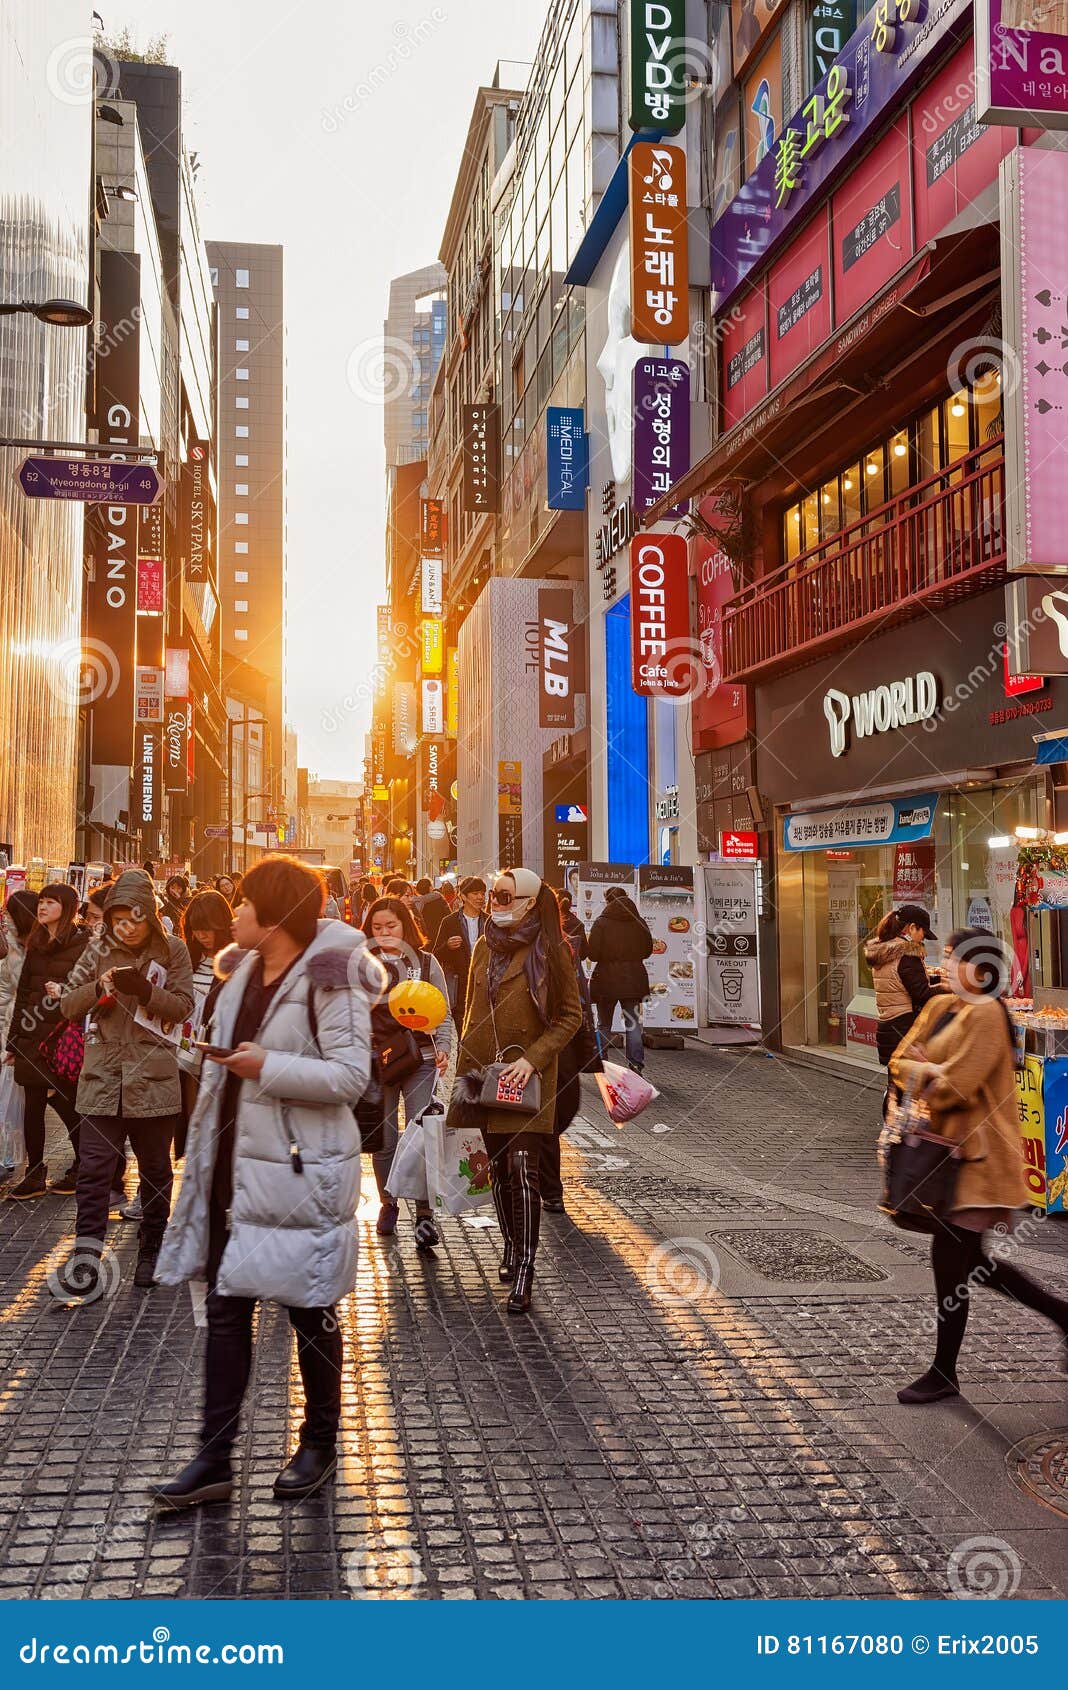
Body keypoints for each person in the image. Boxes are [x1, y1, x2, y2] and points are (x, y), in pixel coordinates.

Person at [152, 855, 379, 1509]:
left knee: (310, 1309)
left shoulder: (332, 975)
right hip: (230, 1166)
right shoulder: (240, 970)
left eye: (246, 903)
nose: (235, 913)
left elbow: (347, 1076)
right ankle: (214, 1457)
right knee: (226, 1309)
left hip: (297, 1172)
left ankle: (320, 1440)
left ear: (275, 914)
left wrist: (265, 1065)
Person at [889, 928, 1068, 1405]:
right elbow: (898, 1061)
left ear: (982, 968)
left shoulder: (988, 1013)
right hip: (943, 1158)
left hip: (978, 1164)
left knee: (954, 1265)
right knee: (970, 1265)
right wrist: (928, 1070)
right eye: (944, 958)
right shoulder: (938, 1007)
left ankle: (943, 1373)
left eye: (953, 959)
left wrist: (929, 1071)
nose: (943, 966)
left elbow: (960, 1087)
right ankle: (1062, 1317)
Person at [54, 868, 195, 1299]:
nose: (125, 927)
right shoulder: (97, 949)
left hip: (153, 1081)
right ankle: (86, 1257)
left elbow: (184, 1008)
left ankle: (152, 1246)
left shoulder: (173, 950)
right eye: (118, 919)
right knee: (94, 1172)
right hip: (100, 1079)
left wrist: (146, 992)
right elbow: (66, 1006)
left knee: (154, 1171)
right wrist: (100, 988)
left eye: (133, 918)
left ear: (148, 916)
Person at [458, 868, 582, 1313]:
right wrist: (461, 1073)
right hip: (485, 1076)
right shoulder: (482, 946)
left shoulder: (551, 950)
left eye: (506, 895)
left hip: (527, 1078)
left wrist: (532, 1058)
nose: (496, 901)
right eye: (493, 894)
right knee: (498, 1169)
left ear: (530, 901)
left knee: (525, 1168)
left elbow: (571, 1016)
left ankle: (527, 1267)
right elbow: (471, 1013)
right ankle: (510, 1244)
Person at [362, 895, 452, 1246]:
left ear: (406, 926)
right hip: (377, 1061)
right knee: (383, 1138)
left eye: (391, 926)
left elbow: (442, 1009)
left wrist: (443, 1047)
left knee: (420, 1137)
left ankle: (425, 1213)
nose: (384, 933)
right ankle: (388, 1203)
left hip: (422, 1059)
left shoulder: (427, 963)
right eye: (377, 927)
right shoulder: (362, 965)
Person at [5, 885, 88, 1199]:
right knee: (33, 1106)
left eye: (50, 902)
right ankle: (35, 1171)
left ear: (66, 908)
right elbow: (24, 995)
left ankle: (83, 1164)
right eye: (40, 901)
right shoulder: (35, 944)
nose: (42, 907)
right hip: (31, 1038)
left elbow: (86, 991)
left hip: (62, 1040)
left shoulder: (82, 944)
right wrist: (14, 1042)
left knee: (68, 1104)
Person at [540, 888, 596, 1215]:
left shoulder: (561, 947)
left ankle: (542, 1176)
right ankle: (549, 1188)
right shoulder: (500, 946)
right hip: (522, 1051)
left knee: (565, 1108)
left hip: (562, 1045)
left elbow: (577, 1000)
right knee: (543, 1121)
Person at [865, 905, 941, 1073]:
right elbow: (921, 993)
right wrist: (949, 987)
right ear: (912, 927)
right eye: (923, 933)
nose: (923, 939)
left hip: (887, 1027)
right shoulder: (907, 953)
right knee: (909, 1088)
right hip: (905, 1028)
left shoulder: (884, 949)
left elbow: (900, 981)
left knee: (895, 1087)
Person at [586, 886, 654, 1074]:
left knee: (604, 1024)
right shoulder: (639, 922)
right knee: (632, 1024)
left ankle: (601, 1061)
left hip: (606, 980)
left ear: (608, 901)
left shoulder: (602, 922)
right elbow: (648, 950)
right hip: (634, 979)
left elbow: (592, 953)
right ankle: (635, 1064)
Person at [0, 891, 38, 1174]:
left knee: (21, 1101)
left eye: (10, 913)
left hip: (24, 1034)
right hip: (10, 1031)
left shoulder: (40, 948)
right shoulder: (11, 944)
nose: (5, 917)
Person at [434, 876, 486, 1013]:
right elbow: (436, 954)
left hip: (484, 983)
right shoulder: (449, 921)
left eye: (482, 893)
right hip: (458, 985)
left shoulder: (490, 921)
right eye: (475, 894)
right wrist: (448, 947)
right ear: (463, 896)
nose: (480, 897)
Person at [413, 877, 450, 950]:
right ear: (430, 888)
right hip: (440, 934)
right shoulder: (439, 898)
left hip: (424, 937)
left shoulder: (416, 902)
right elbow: (448, 915)